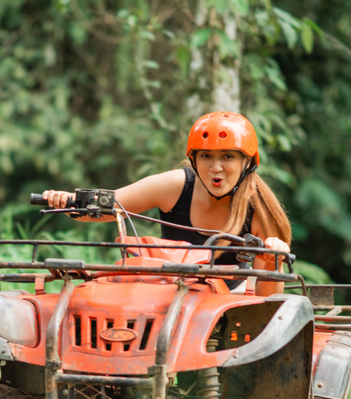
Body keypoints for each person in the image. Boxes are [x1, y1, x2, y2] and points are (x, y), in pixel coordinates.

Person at [41, 111, 291, 294]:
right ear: (194, 160)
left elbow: (267, 301)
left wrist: (273, 261)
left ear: (247, 163)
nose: (216, 168)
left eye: (227, 157)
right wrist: (68, 203)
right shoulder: (175, 187)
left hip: (225, 303)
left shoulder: (259, 211)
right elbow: (110, 206)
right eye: (205, 156)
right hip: (167, 291)